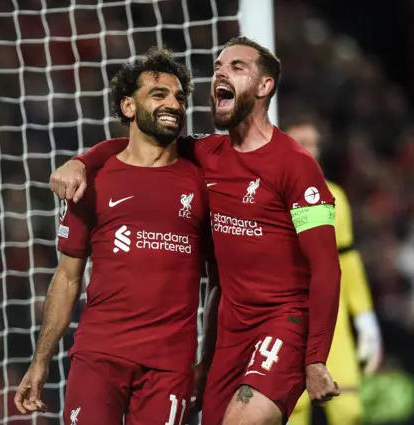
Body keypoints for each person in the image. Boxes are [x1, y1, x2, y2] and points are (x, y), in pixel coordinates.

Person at [48, 36, 342, 425]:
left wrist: (317, 358)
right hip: (229, 330)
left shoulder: (298, 167)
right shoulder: (206, 156)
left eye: (237, 67)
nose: (220, 72)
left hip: (282, 319)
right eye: (219, 66)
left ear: (264, 86)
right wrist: (81, 161)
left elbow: (326, 267)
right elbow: (137, 141)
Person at [14, 47, 215, 425]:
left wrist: (209, 358)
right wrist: (40, 361)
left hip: (169, 368)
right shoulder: (91, 182)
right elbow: (68, 276)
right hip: (99, 357)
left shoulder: (202, 181)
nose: (173, 103)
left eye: (179, 97)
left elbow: (220, 280)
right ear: (127, 106)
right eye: (159, 94)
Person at [282, 115, 383, 425]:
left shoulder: (336, 196)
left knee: (348, 409)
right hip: (286, 314)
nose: (309, 150)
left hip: (333, 314)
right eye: (301, 142)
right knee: (291, 411)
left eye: (313, 143)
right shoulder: (268, 197)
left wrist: (365, 318)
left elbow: (348, 259)